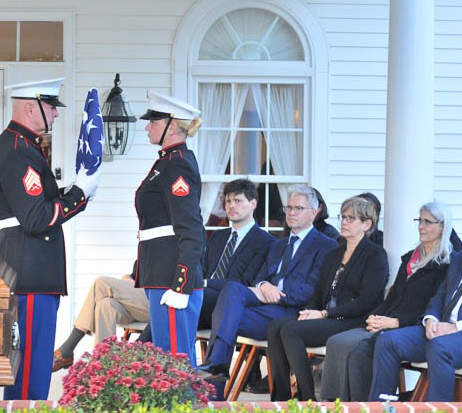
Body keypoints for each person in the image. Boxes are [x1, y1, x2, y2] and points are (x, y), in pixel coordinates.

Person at [0, 77, 100, 400]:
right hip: (30, 269)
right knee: (30, 370)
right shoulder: (18, 151)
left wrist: (74, 192)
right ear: (29, 107)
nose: (55, 113)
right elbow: (36, 218)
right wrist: (79, 195)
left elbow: (35, 202)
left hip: (30, 265)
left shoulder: (21, 145)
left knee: (33, 366)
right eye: (51, 106)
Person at [197, 185, 338, 393]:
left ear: (314, 212)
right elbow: (260, 278)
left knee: (224, 317)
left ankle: (214, 384)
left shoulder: (326, 246)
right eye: (288, 207)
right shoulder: (278, 245)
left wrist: (277, 296)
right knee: (232, 290)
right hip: (263, 306)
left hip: (289, 312)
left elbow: (311, 290)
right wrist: (264, 286)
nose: (291, 213)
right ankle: (217, 368)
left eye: (298, 208)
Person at [369, 196, 462, 402]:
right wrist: (431, 319)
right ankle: (382, 406)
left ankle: (439, 409)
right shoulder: (461, 258)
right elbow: (440, 296)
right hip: (443, 333)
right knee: (388, 340)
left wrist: (456, 327)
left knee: (440, 346)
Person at [320, 200, 452, 401]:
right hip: (388, 322)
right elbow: (392, 297)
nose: (421, 226)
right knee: (336, 341)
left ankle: (365, 405)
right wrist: (375, 317)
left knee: (357, 350)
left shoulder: (446, 264)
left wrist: (397, 322)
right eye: (419, 220)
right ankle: (336, 403)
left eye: (428, 222)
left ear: (442, 227)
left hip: (412, 327)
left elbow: (435, 308)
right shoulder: (410, 259)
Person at [268, 196, 389, 401]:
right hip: (328, 317)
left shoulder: (375, 255)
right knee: (275, 326)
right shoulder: (335, 252)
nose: (344, 222)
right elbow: (318, 292)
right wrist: (310, 311)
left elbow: (366, 301)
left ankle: (307, 398)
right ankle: (281, 398)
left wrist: (325, 313)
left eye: (351, 218)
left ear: (367, 224)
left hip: (353, 320)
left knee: (291, 330)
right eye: (343, 217)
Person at [134, 90, 205, 366]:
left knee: (175, 364)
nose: (148, 127)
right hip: (160, 272)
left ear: (172, 126)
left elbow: (191, 229)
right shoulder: (167, 162)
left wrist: (181, 284)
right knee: (165, 363)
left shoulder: (177, 166)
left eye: (154, 121)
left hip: (171, 277)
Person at [200, 178, 275, 330]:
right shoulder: (217, 236)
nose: (231, 206)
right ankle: (150, 344)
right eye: (228, 201)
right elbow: (203, 269)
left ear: (253, 204)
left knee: (186, 300)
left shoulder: (266, 241)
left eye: (238, 201)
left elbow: (245, 282)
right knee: (172, 309)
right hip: (204, 303)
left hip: (232, 304)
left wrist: (203, 283)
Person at [52, 268, 149, 372]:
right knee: (105, 304)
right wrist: (129, 277)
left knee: (101, 283)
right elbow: (139, 275)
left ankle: (67, 349)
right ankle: (102, 366)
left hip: (153, 303)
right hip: (135, 307)